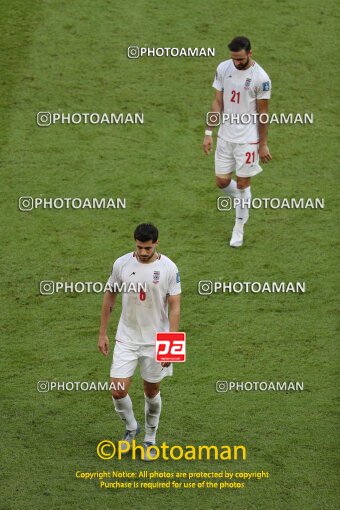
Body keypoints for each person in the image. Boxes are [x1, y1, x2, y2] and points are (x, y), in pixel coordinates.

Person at [98, 223, 181, 460]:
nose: (144, 252)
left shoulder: (168, 268)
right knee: (117, 390)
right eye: (139, 247)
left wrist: (171, 346)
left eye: (148, 248)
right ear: (134, 243)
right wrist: (103, 333)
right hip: (127, 338)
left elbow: (175, 306)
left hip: (156, 342)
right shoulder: (122, 264)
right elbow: (109, 295)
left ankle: (150, 439)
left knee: (151, 391)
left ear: (156, 243)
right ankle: (131, 427)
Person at [203, 36, 272, 247]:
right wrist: (208, 132)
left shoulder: (261, 78)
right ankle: (243, 199)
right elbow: (217, 102)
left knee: (242, 184)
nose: (236, 62)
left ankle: (238, 228)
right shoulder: (224, 68)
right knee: (221, 182)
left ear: (250, 54)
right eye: (233, 58)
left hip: (248, 140)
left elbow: (263, 114)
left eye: (240, 59)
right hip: (225, 136)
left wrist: (262, 144)